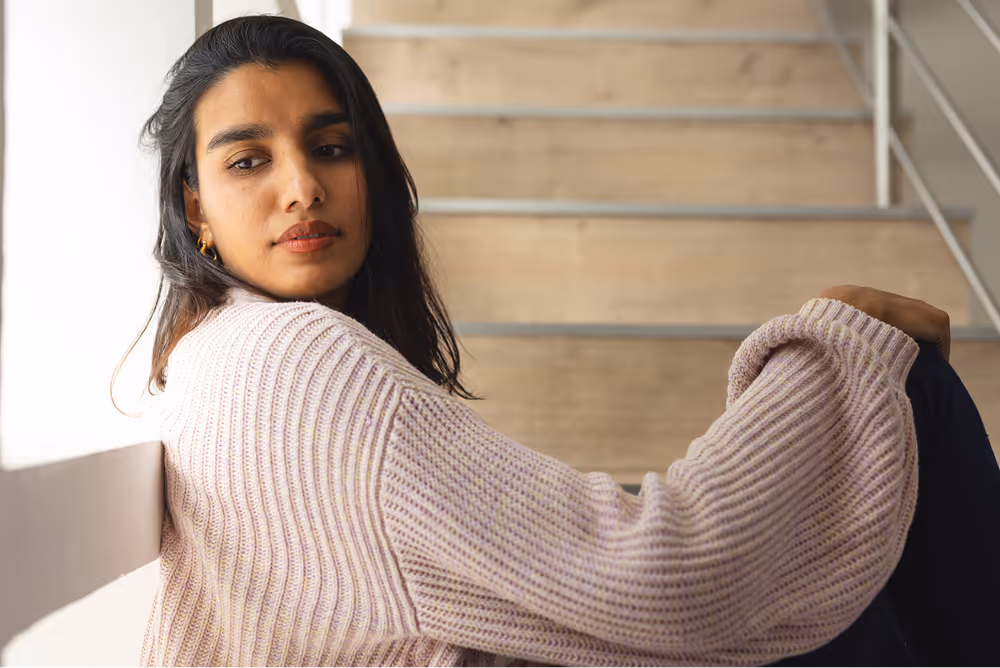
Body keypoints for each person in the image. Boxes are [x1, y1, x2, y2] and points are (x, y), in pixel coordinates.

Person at [115, 15, 998, 667]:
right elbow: (660, 572)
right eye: (247, 160)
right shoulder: (304, 366)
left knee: (855, 596)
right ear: (195, 206)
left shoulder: (206, 351)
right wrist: (829, 347)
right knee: (898, 385)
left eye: (332, 146)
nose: (303, 187)